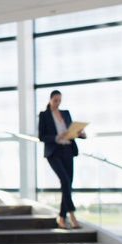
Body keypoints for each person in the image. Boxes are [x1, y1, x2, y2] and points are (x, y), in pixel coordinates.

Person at [38, 90, 86, 229]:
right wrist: (56, 137)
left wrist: (80, 134)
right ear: (50, 100)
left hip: (68, 150)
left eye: (59, 100)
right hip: (54, 151)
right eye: (55, 100)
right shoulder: (44, 115)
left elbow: (71, 130)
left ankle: (61, 217)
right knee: (65, 180)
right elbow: (42, 136)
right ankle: (72, 215)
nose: (57, 103)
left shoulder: (65, 113)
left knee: (68, 184)